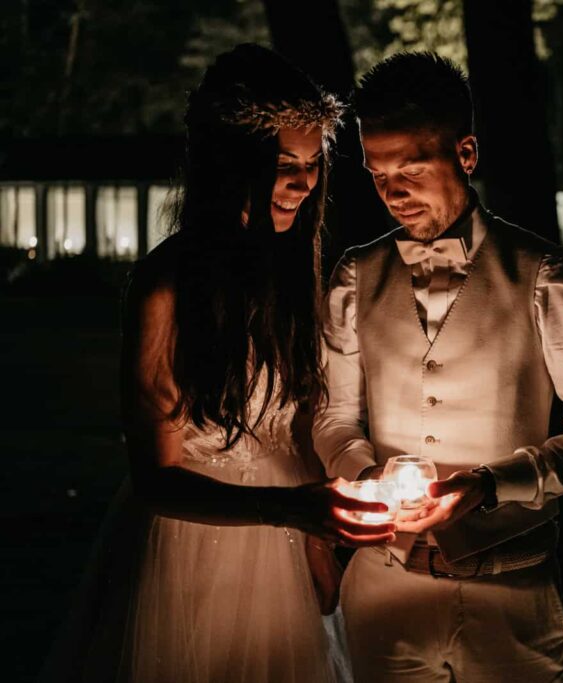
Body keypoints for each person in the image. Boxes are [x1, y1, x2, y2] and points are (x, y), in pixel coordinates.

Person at [39, 44, 395, 683]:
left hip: (287, 552)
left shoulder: (290, 273)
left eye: (313, 164)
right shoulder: (165, 287)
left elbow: (296, 430)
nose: (304, 184)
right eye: (285, 165)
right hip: (189, 549)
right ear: (232, 164)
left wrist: (318, 547)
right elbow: (156, 479)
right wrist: (288, 510)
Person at [314, 52, 563, 682]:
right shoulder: (354, 276)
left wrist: (489, 486)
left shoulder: (544, 274)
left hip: (512, 592)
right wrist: (369, 477)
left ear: (466, 153)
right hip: (382, 588)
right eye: (379, 175)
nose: (393, 193)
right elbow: (333, 417)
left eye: (412, 169)